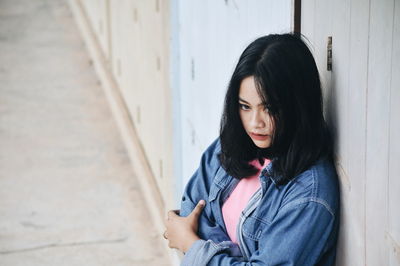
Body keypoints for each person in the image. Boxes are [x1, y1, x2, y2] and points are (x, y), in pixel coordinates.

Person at [164, 32, 340, 265]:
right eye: (245, 107)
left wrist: (193, 246)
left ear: (297, 106)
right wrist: (230, 256)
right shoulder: (230, 147)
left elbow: (186, 233)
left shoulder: (310, 194)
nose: (255, 122)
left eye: (269, 108)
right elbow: (189, 209)